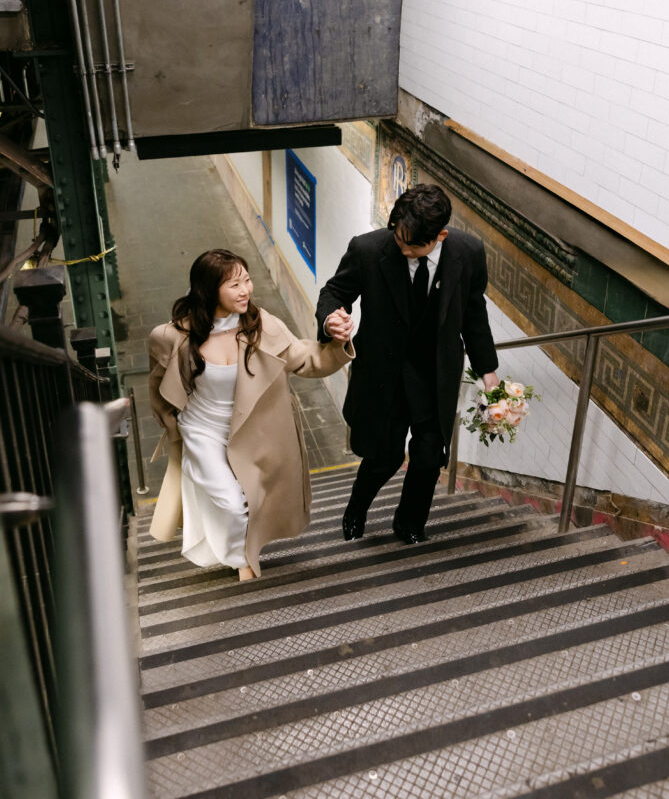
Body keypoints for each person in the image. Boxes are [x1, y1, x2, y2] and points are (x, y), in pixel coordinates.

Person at [148, 249, 354, 580]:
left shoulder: (263, 325)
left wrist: (336, 343)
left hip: (251, 431)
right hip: (203, 430)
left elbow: (305, 358)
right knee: (232, 502)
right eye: (234, 284)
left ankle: (243, 553)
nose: (245, 290)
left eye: (247, 280)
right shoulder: (172, 336)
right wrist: (172, 425)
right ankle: (240, 558)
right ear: (209, 290)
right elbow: (160, 386)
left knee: (252, 499)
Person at [316, 183, 499, 545]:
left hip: (435, 376)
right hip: (385, 374)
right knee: (382, 458)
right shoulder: (368, 249)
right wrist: (330, 320)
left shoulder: (469, 252)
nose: (402, 249)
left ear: (441, 235)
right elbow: (334, 292)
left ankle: (410, 523)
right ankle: (356, 509)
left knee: (430, 457)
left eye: (412, 246)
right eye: (398, 240)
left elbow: (474, 314)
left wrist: (488, 372)